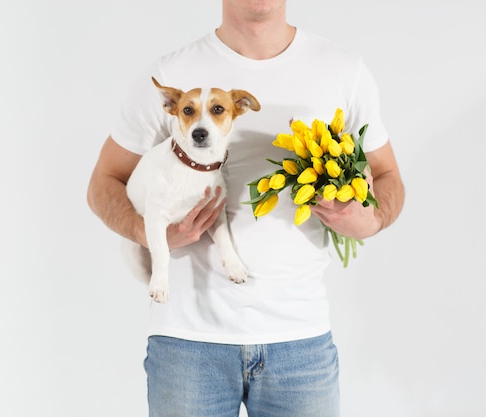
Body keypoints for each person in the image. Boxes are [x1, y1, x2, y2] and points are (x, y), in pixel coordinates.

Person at [86, 1, 405, 416]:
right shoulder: (171, 74)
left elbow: (388, 177)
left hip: (300, 342)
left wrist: (372, 218)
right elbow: (102, 183)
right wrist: (149, 233)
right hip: (187, 343)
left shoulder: (344, 70)